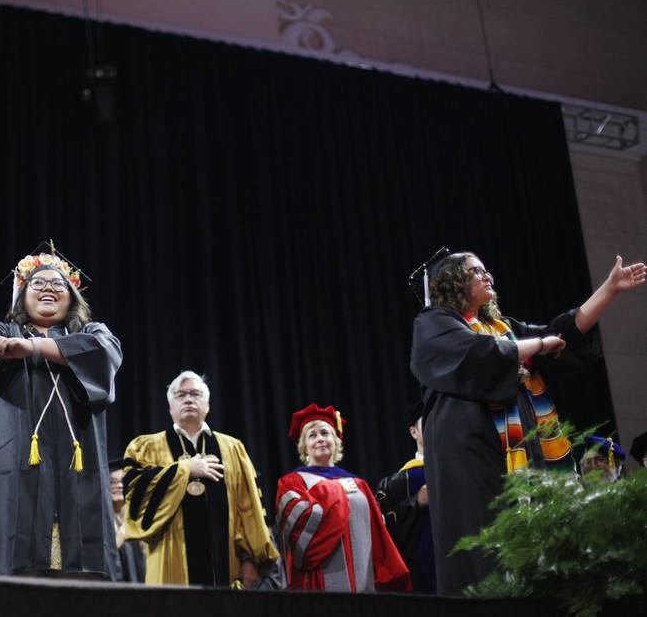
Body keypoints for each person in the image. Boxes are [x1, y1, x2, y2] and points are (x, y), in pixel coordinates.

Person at [410, 250, 645, 595]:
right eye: (477, 271)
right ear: (454, 282)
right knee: (486, 541)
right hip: (472, 451)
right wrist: (537, 345)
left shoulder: (503, 330)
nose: (488, 275)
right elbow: (479, 354)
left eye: (487, 270)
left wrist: (608, 289)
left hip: (522, 450)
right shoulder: (434, 323)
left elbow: (562, 334)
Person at [0, 234, 121, 578]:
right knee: (12, 574)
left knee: (81, 579)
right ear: (22, 295)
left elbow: (103, 355)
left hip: (77, 474)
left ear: (72, 296)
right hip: (17, 473)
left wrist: (33, 348)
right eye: (38, 282)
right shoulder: (7, 333)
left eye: (58, 283)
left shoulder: (92, 332)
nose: (48, 288)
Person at [123, 371, 278, 587]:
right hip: (169, 564)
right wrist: (185, 470)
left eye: (195, 394)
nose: (188, 399)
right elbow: (135, 491)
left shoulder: (233, 449)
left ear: (207, 404)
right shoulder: (146, 448)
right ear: (170, 406)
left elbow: (248, 508)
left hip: (226, 564)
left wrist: (250, 559)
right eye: (180, 395)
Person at [276, 404, 410, 592]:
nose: (320, 439)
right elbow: (297, 534)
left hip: (363, 580)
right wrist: (334, 491)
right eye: (312, 435)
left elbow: (378, 536)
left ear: (336, 440)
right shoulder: (293, 482)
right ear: (304, 446)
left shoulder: (358, 484)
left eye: (325, 433)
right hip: (318, 585)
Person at [375, 403, 435, 593]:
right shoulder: (396, 483)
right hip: (416, 576)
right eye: (427, 424)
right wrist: (415, 502)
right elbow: (381, 527)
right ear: (413, 432)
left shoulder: (460, 473)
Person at [109, 458, 146, 582]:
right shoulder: (102, 521)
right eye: (113, 482)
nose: (119, 486)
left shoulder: (139, 517)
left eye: (122, 482)